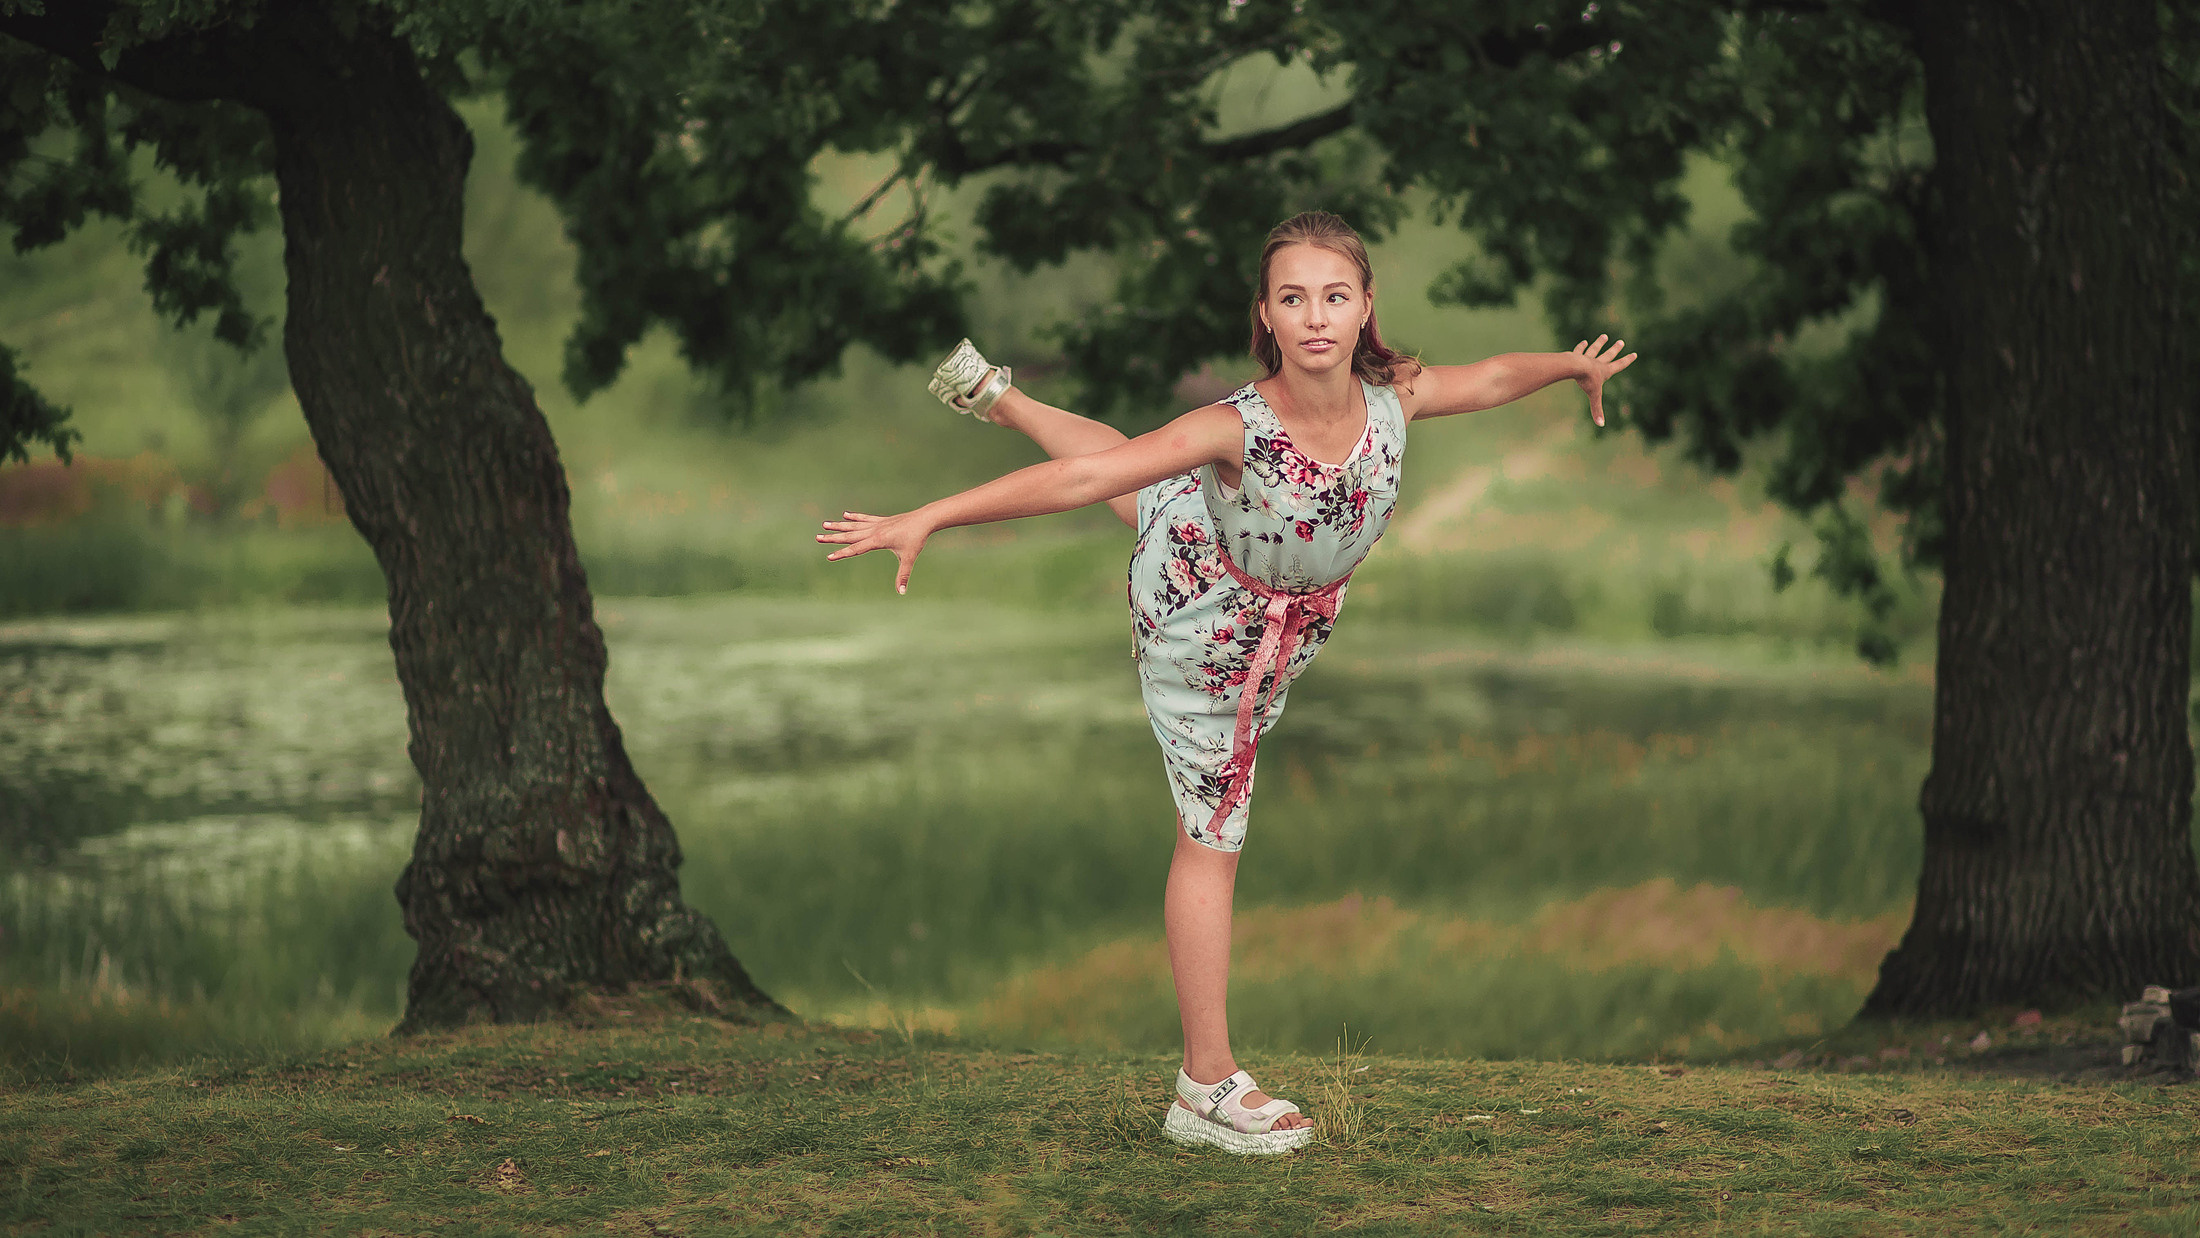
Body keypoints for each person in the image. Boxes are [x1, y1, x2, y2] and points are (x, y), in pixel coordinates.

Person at [818, 211, 1635, 1155]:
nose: (1316, 317)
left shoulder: (1393, 396)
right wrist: (932, 516)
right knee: (1212, 834)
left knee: (1151, 491)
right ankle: (1203, 1086)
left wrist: (1570, 367)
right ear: (1266, 315)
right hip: (1206, 633)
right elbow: (1084, 484)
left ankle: (1002, 398)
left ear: (1368, 306)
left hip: (1238, 559)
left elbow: (1489, 377)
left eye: (1335, 296)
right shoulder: (1232, 429)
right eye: (1294, 299)